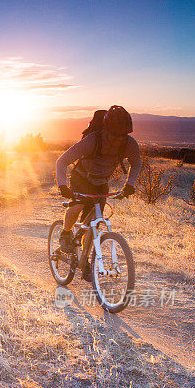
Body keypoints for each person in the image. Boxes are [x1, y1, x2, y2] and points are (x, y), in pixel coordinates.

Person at [55, 105, 142, 281]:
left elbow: (137, 163)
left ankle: (84, 262)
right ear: (106, 129)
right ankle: (65, 233)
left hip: (101, 183)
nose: (119, 139)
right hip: (81, 178)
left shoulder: (129, 144)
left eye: (123, 134)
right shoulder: (93, 140)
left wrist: (130, 185)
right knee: (77, 204)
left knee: (94, 222)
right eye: (115, 134)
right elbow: (62, 160)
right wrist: (63, 186)